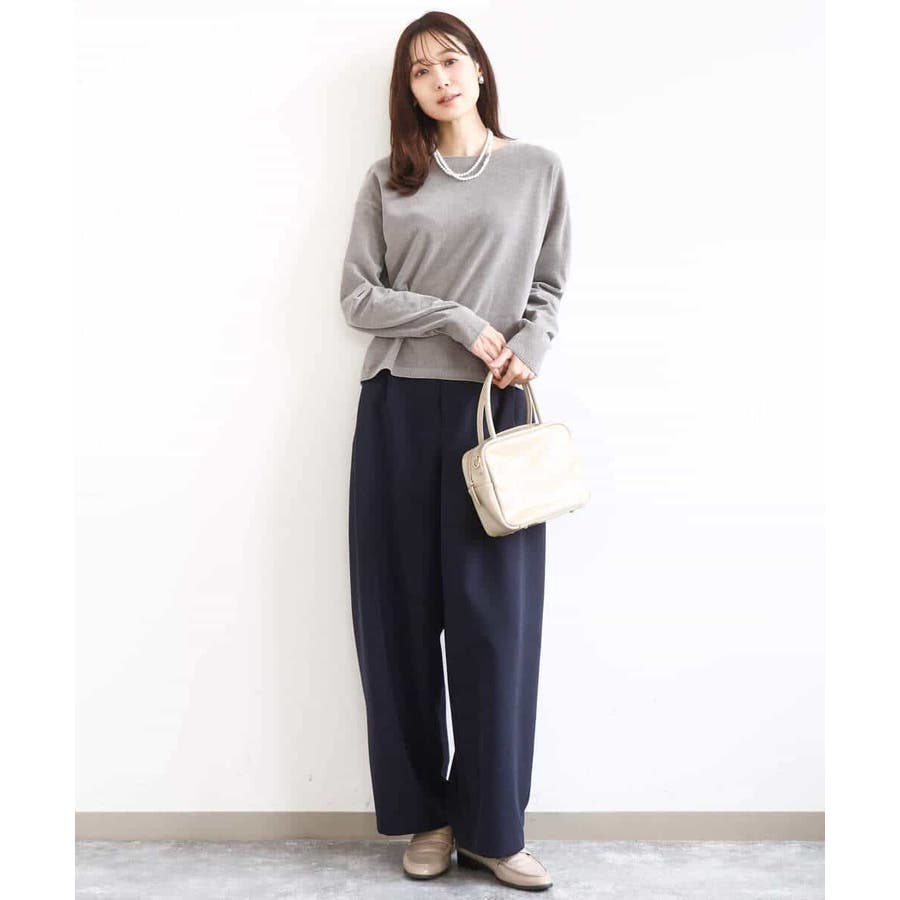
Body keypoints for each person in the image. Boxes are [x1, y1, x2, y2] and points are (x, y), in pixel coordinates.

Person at [340, 11, 571, 892]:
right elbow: (358, 296)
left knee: (494, 628)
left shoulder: (537, 169)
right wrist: (454, 319)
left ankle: (493, 829)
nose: (439, 78)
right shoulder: (389, 179)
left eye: (451, 60)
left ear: (478, 69)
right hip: (399, 407)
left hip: (495, 414)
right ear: (407, 90)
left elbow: (549, 285)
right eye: (419, 70)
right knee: (399, 621)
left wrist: (529, 345)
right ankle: (428, 818)